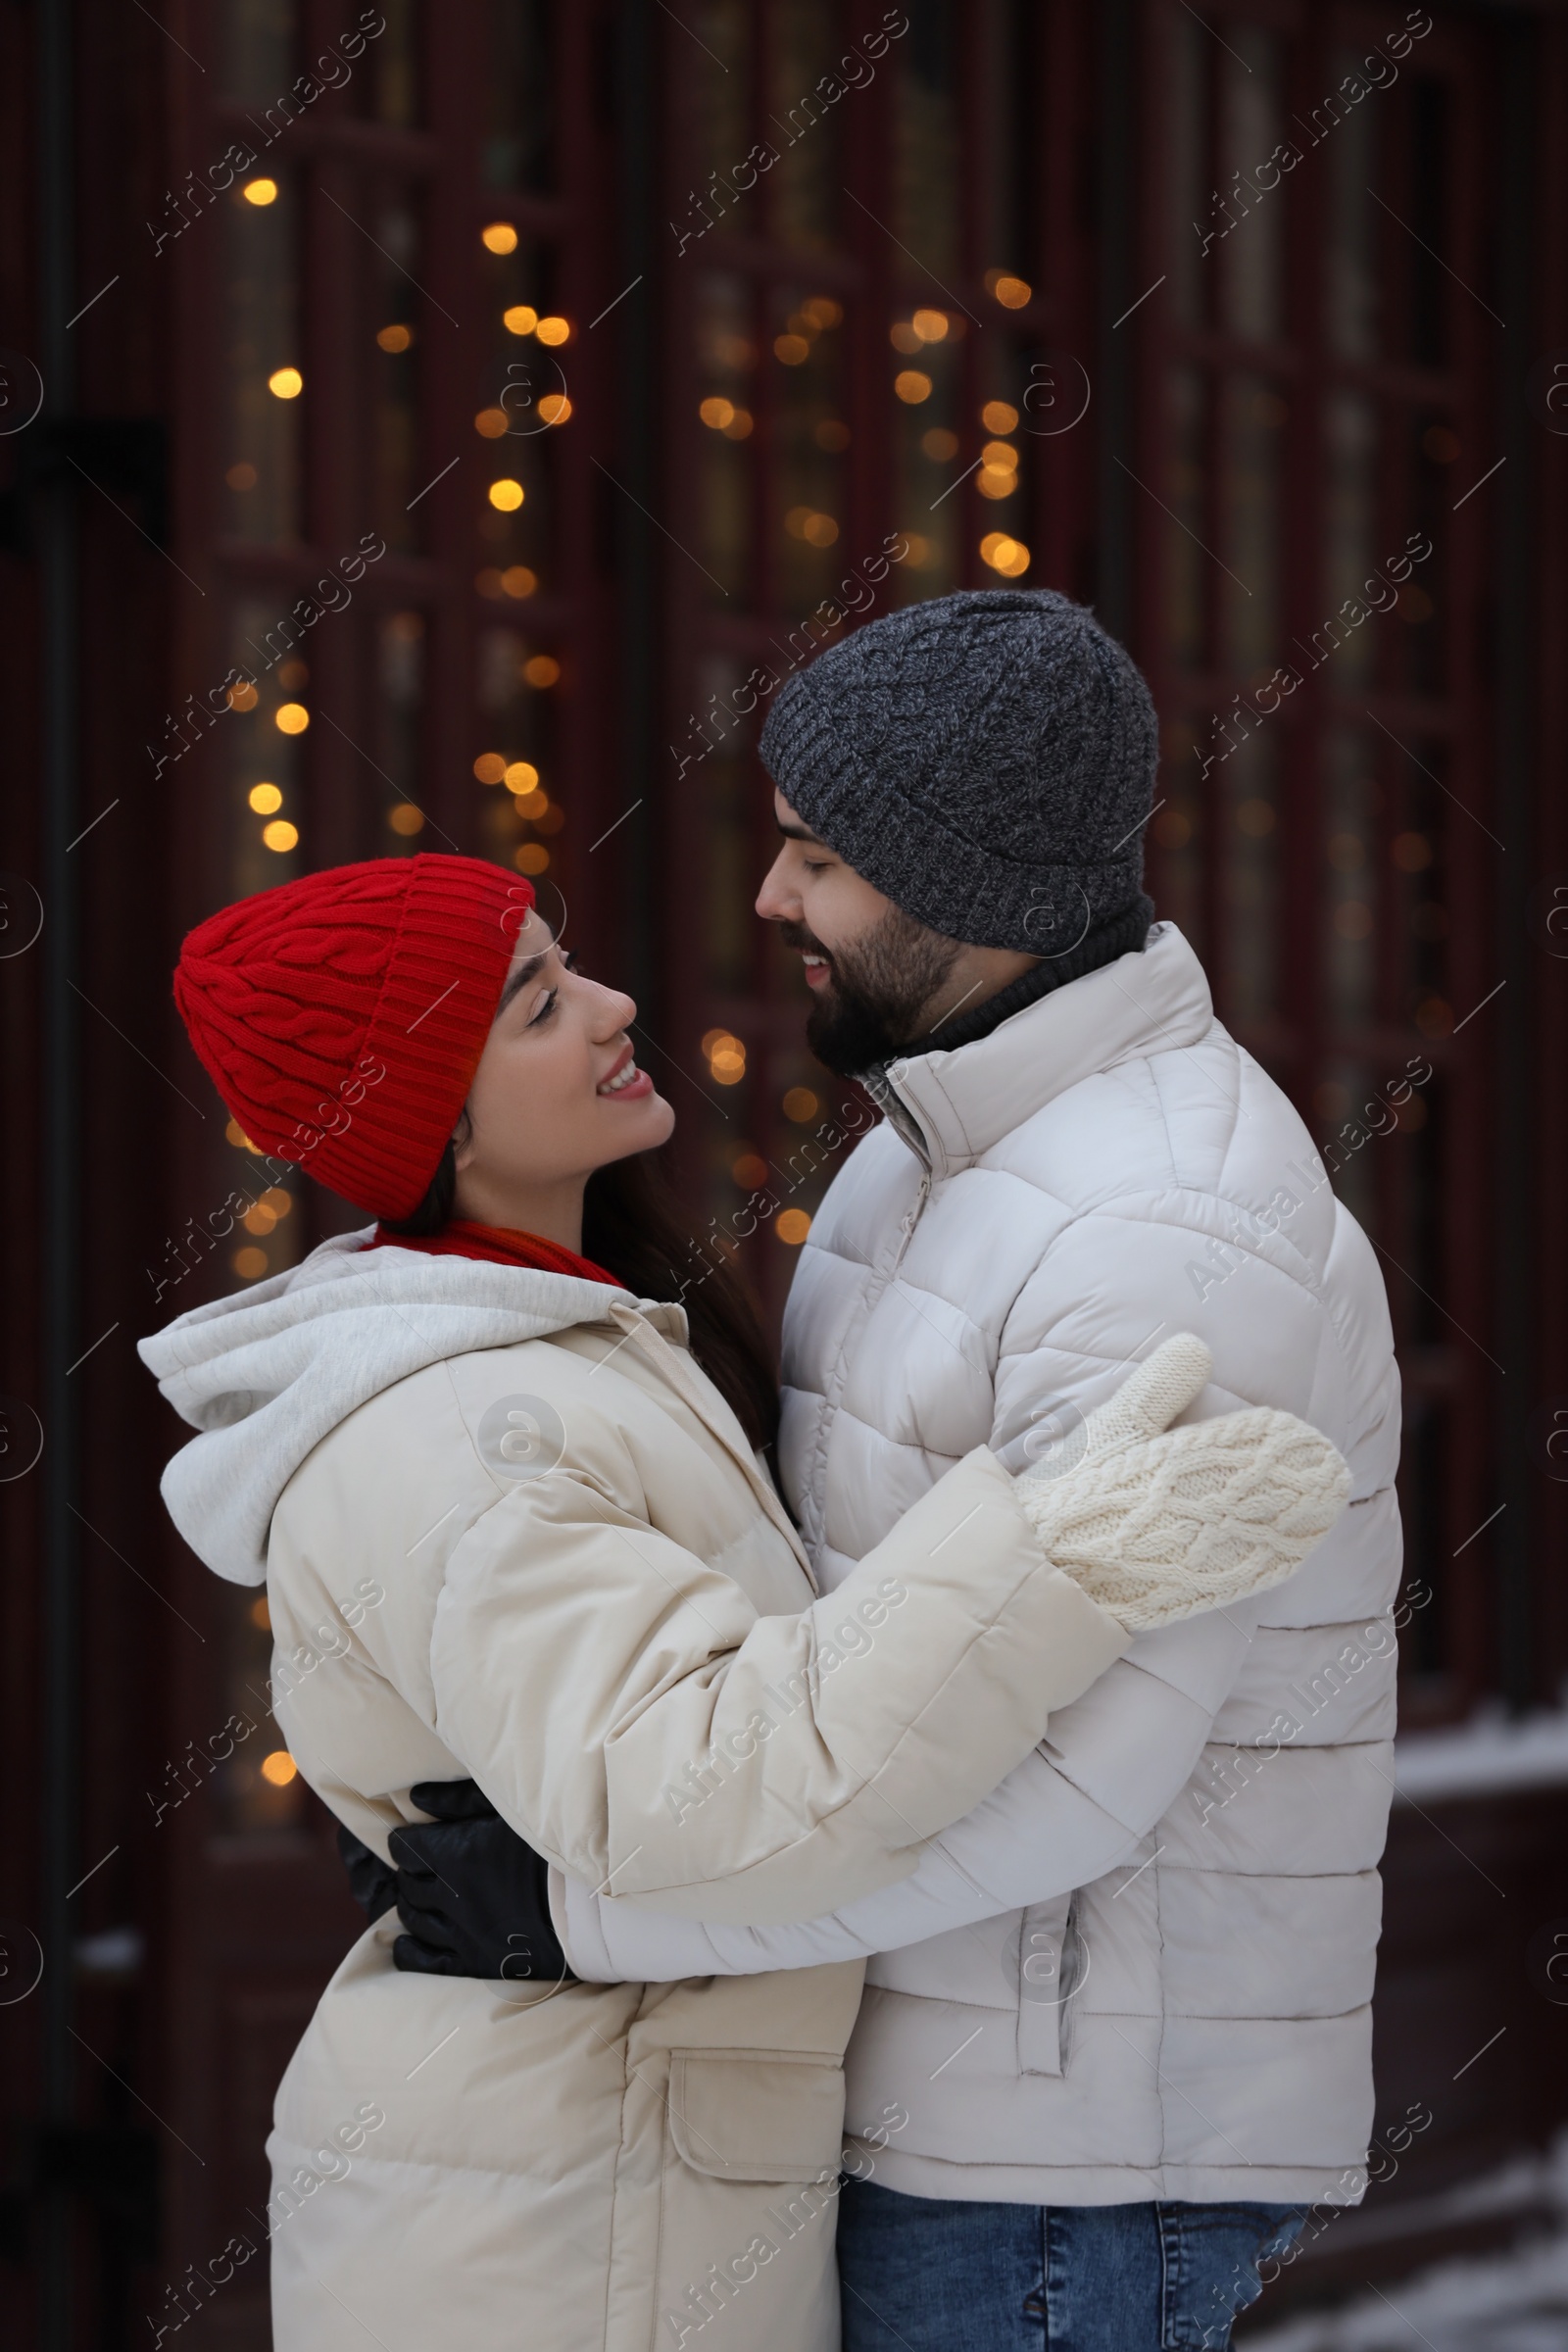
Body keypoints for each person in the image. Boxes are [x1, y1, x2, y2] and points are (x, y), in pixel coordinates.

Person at [138, 852, 1348, 2352]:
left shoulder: (579, 1339)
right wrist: (1053, 1560)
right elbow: (696, 1784)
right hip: (569, 2234)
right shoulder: (468, 1420)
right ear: (427, 1112)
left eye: (566, 963)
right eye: (537, 1005)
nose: (612, 1003)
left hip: (624, 2177)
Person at [394, 590, 1403, 2351]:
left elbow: (1086, 1786)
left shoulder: (1166, 1230)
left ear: (973, 890)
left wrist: (584, 1913)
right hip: (931, 2098)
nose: (774, 900)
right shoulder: (924, 1153)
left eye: (817, 860)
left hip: (1059, 2163)